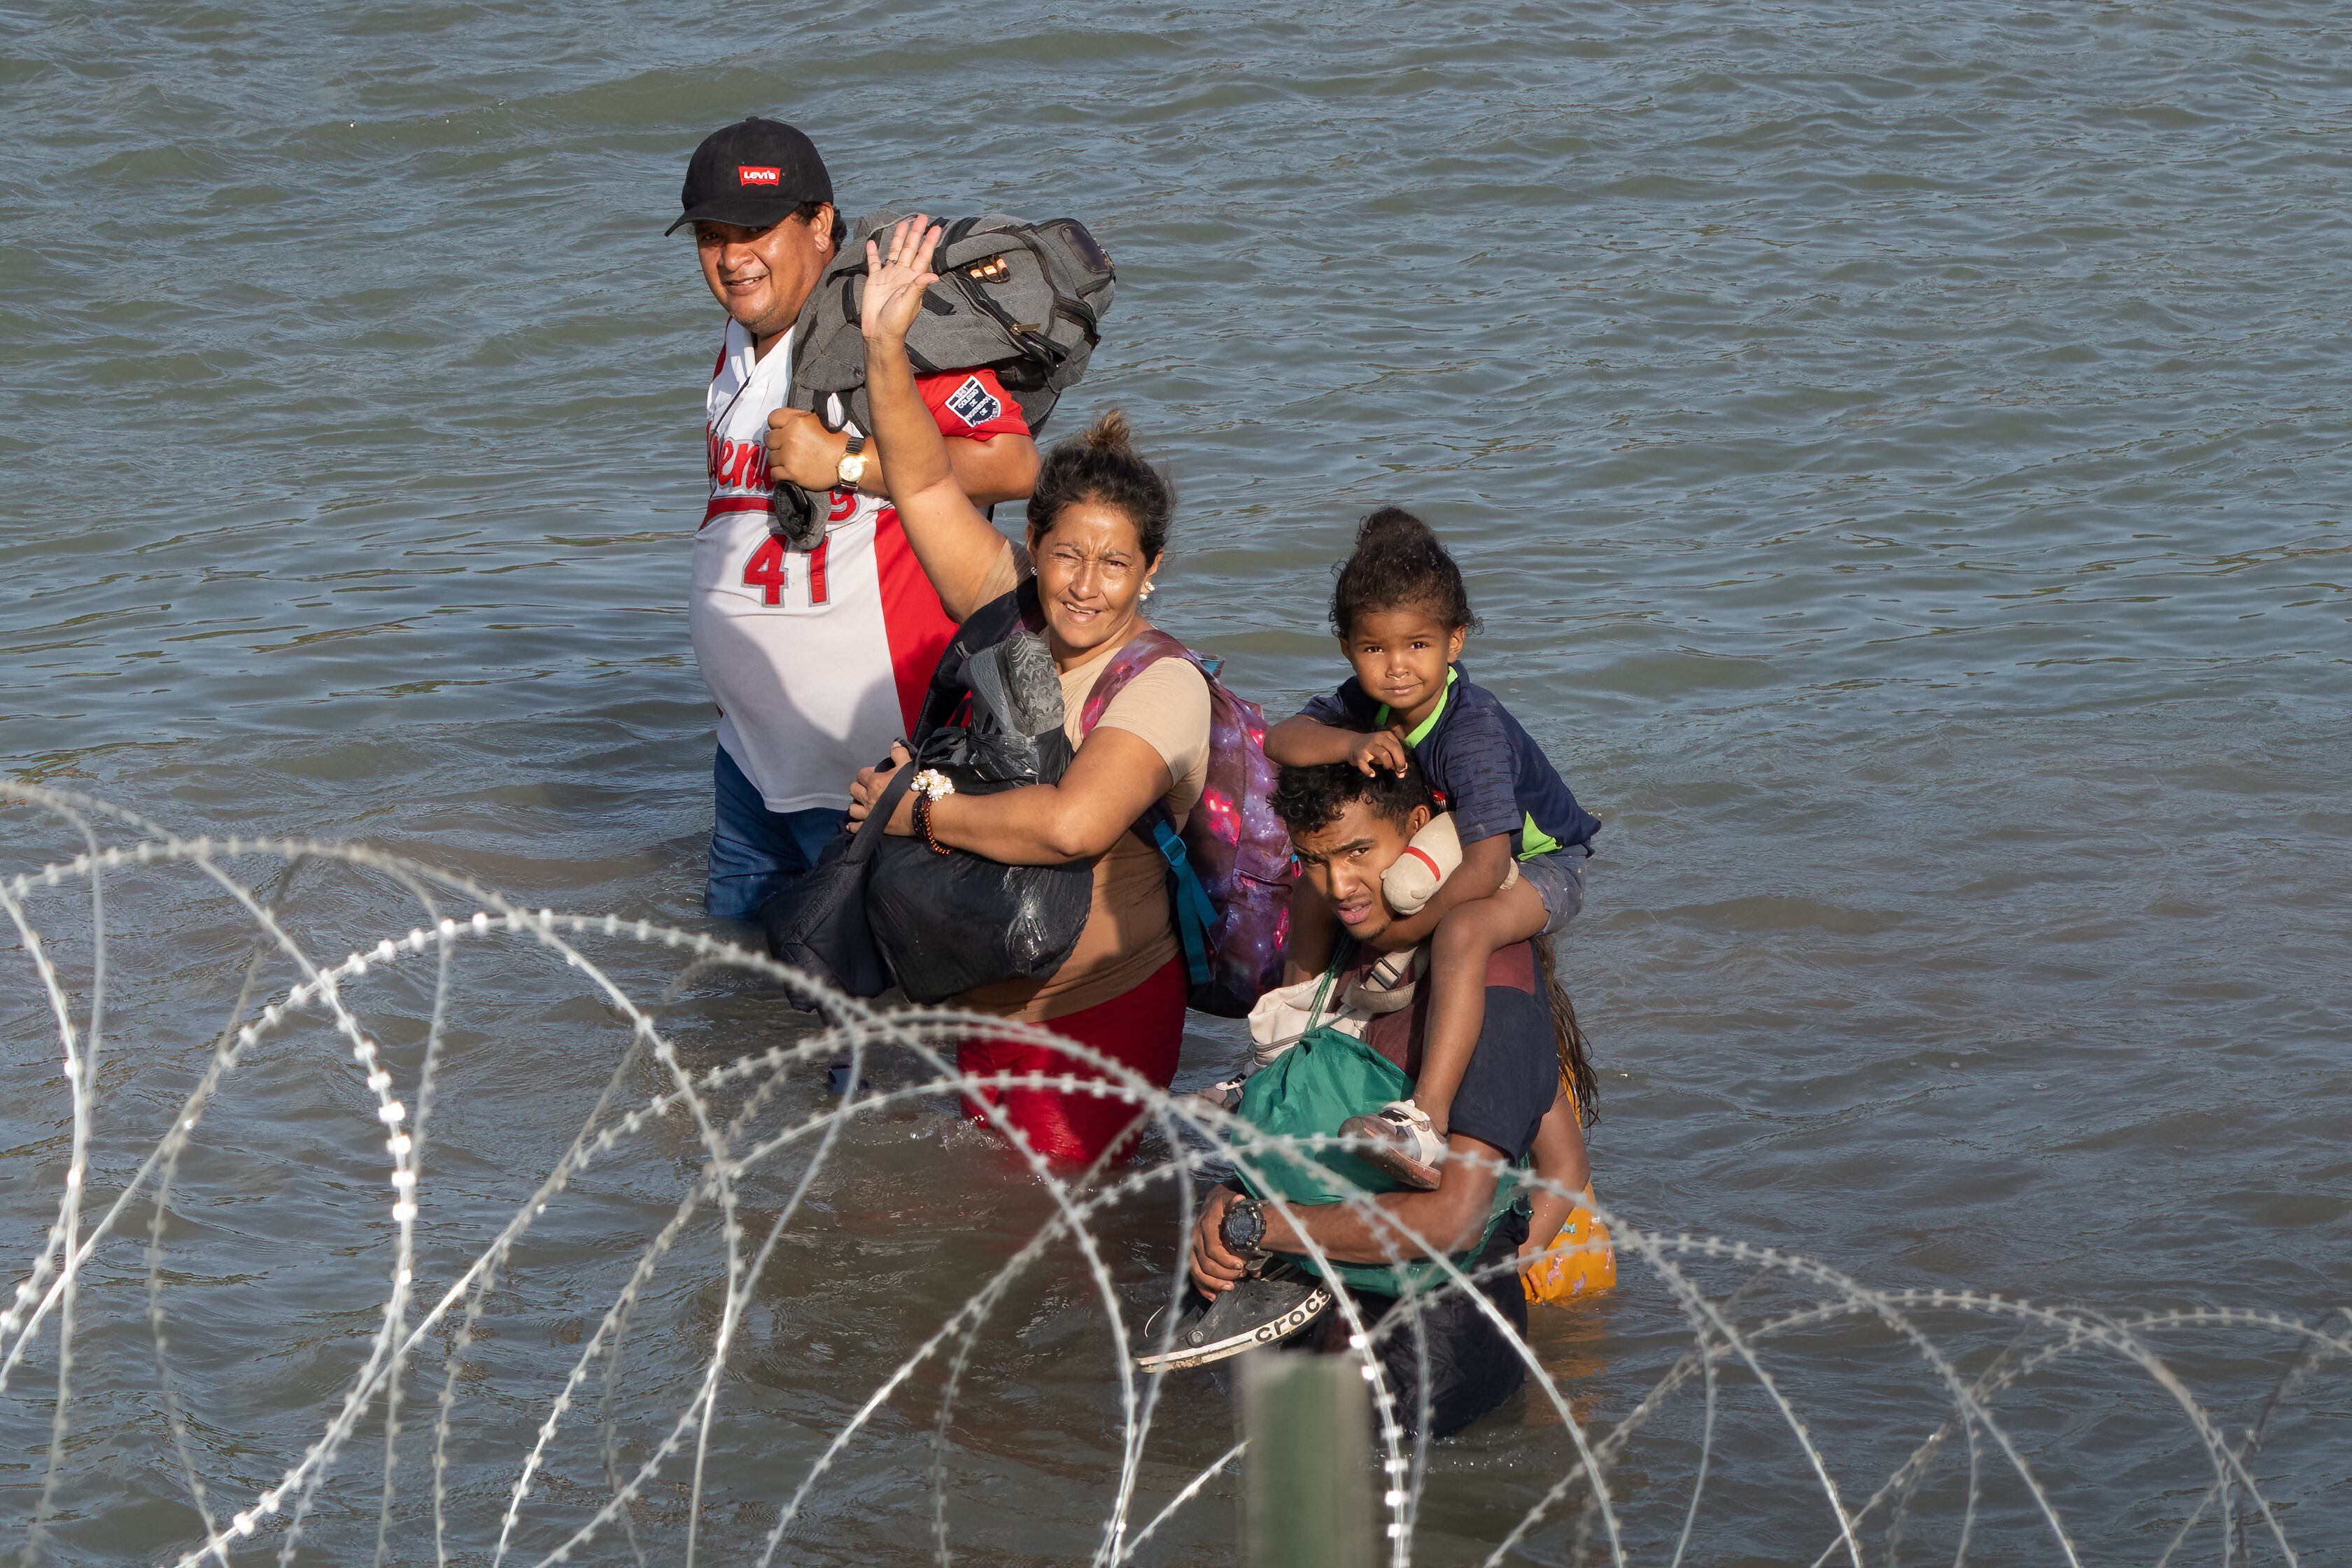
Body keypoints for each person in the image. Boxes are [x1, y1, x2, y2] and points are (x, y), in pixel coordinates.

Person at [843, 218, 1209, 1164]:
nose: (1087, 586)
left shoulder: (1160, 683)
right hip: (987, 1006)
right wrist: (885, 344)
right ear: (1034, 549)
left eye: (1115, 565)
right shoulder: (1014, 610)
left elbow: (1074, 827)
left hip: (1100, 1018)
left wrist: (915, 807)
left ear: (1150, 570)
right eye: (1067, 556)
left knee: (1067, 1248)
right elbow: (923, 487)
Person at [671, 118, 1042, 920]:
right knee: (741, 996)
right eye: (711, 235)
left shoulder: (884, 335)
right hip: (750, 764)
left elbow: (1011, 462)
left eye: (754, 230)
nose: (733, 258)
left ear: (819, 225)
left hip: (874, 770)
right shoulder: (740, 337)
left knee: (874, 1016)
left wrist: (842, 461)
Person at [1180, 760, 1603, 1439]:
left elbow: (1461, 1220)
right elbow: (1288, 1104)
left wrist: (1260, 1226)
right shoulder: (1357, 949)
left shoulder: (1489, 991)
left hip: (1427, 1362)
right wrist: (1227, 1197)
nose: (1337, 885)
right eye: (1313, 861)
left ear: (1418, 843)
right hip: (1321, 1312)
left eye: (1356, 854)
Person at [1265, 509, 1601, 1185]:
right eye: (1373, 649)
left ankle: (1424, 1118)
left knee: (1465, 931)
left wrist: (1400, 934)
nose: (1394, 669)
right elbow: (1280, 739)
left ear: (1455, 642)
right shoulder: (1367, 705)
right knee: (1310, 888)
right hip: (1451, 837)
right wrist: (1349, 743)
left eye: (1416, 646)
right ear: (1346, 646)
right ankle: (1281, 1053)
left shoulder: (1469, 730)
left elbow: (1488, 864)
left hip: (1540, 861)